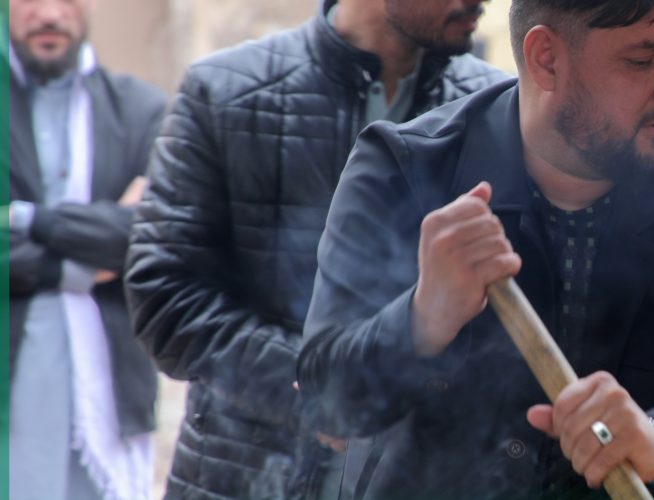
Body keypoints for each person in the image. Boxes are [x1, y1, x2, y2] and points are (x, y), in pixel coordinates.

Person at [297, 0, 654, 497]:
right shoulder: (405, 167)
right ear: (547, 59)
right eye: (641, 60)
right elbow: (326, 400)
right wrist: (423, 317)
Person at [124, 0, 508, 497]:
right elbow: (165, 295)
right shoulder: (224, 90)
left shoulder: (497, 110)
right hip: (243, 474)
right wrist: (321, 389)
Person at [8, 0, 164, 498]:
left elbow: (153, 233)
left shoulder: (141, 110)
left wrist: (28, 219)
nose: (49, 13)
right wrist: (83, 264)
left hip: (109, 392)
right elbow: (122, 234)